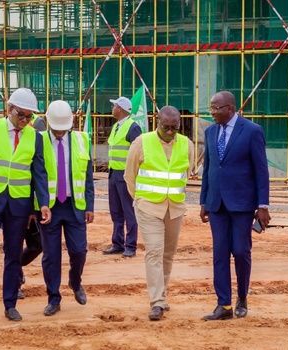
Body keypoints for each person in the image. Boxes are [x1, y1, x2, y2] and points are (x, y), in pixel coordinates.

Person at [0, 87, 51, 322]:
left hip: (19, 204)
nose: (25, 120)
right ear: (9, 109)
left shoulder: (35, 137)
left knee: (13, 253)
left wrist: (41, 204)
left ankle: (10, 303)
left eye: (29, 116)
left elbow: (39, 174)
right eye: (21, 115)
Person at [201, 91, 270, 321]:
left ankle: (242, 296)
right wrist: (204, 200)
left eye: (215, 108)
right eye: (210, 108)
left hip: (242, 204)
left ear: (229, 108)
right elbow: (209, 169)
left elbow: (261, 171)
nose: (211, 112)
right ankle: (224, 305)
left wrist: (262, 205)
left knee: (240, 251)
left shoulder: (252, 131)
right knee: (220, 253)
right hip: (216, 204)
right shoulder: (210, 132)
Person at [125, 106, 194, 321]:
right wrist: (140, 199)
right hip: (148, 207)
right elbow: (130, 176)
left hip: (174, 208)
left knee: (168, 254)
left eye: (175, 128)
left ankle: (161, 295)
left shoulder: (187, 145)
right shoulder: (141, 142)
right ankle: (156, 301)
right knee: (154, 251)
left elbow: (187, 173)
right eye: (166, 127)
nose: (171, 132)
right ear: (157, 122)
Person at [37, 100, 94, 316]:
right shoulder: (39, 141)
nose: (60, 133)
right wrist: (39, 205)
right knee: (51, 256)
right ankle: (53, 297)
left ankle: (75, 281)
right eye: (56, 129)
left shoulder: (82, 140)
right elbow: (38, 175)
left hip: (74, 206)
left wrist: (89, 205)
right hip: (48, 208)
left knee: (79, 251)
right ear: (48, 123)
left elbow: (87, 175)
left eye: (64, 129)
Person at [103, 96, 142, 258]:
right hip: (113, 174)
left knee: (128, 211)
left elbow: (139, 151)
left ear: (120, 109)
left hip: (126, 175)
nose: (112, 109)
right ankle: (117, 243)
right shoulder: (116, 127)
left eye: (114, 106)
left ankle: (131, 245)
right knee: (116, 211)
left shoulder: (132, 127)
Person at [17, 114, 47, 300]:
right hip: (20, 203)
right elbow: (26, 180)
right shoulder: (25, 142)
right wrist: (29, 210)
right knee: (15, 243)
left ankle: (14, 266)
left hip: (37, 206)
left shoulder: (46, 145)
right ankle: (15, 281)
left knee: (37, 245)